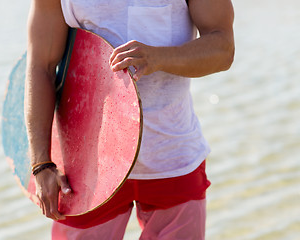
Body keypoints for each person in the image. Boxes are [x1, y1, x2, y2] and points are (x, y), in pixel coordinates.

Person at [24, 0, 234, 239]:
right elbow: (41, 65)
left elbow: (223, 47)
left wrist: (158, 58)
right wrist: (41, 164)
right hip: (86, 169)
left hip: (172, 157)